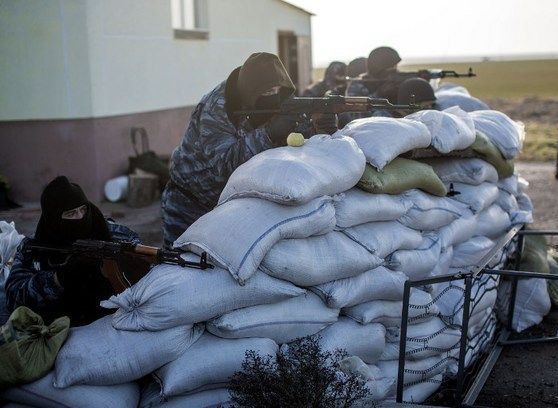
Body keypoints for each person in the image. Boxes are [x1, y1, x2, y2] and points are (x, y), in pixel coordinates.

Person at [162, 52, 337, 247]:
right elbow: (224, 166)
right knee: (182, 265)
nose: (274, 96)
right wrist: (268, 133)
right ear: (251, 91)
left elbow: (296, 138)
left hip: (233, 205)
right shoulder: (219, 107)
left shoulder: (281, 98)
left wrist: (318, 128)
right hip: (190, 204)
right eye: (268, 92)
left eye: (278, 90)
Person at [4, 176, 142, 326]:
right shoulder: (34, 248)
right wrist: (58, 278)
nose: (80, 217)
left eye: (83, 210)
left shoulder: (115, 235)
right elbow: (13, 299)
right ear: (53, 219)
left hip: (113, 320)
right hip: (61, 327)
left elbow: (144, 261)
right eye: (70, 214)